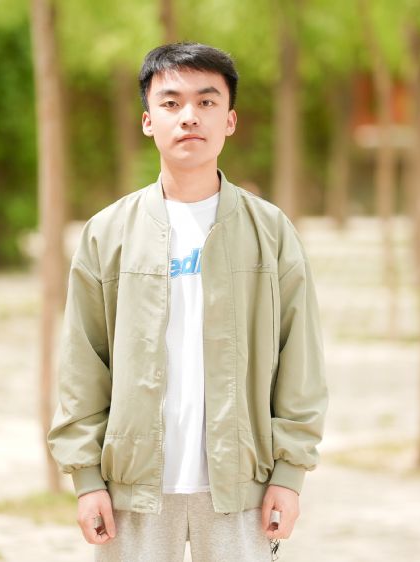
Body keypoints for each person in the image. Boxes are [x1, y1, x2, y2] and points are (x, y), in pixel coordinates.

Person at [46, 41, 329, 562]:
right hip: (133, 489)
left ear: (230, 120)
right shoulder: (108, 233)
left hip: (242, 487)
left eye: (206, 101)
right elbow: (83, 362)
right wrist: (86, 479)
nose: (189, 117)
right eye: (171, 102)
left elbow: (300, 358)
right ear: (148, 120)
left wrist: (289, 475)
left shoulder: (270, 231)